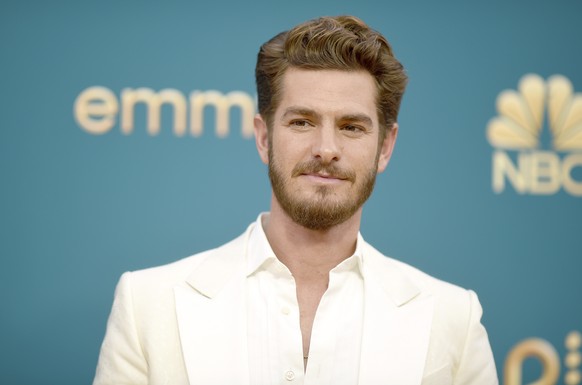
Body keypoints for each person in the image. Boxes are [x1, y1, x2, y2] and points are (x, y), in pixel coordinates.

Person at [93, 15, 498, 385]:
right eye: (302, 121)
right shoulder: (148, 304)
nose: (326, 148)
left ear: (386, 146)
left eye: (352, 126)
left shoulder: (452, 318)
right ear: (264, 137)